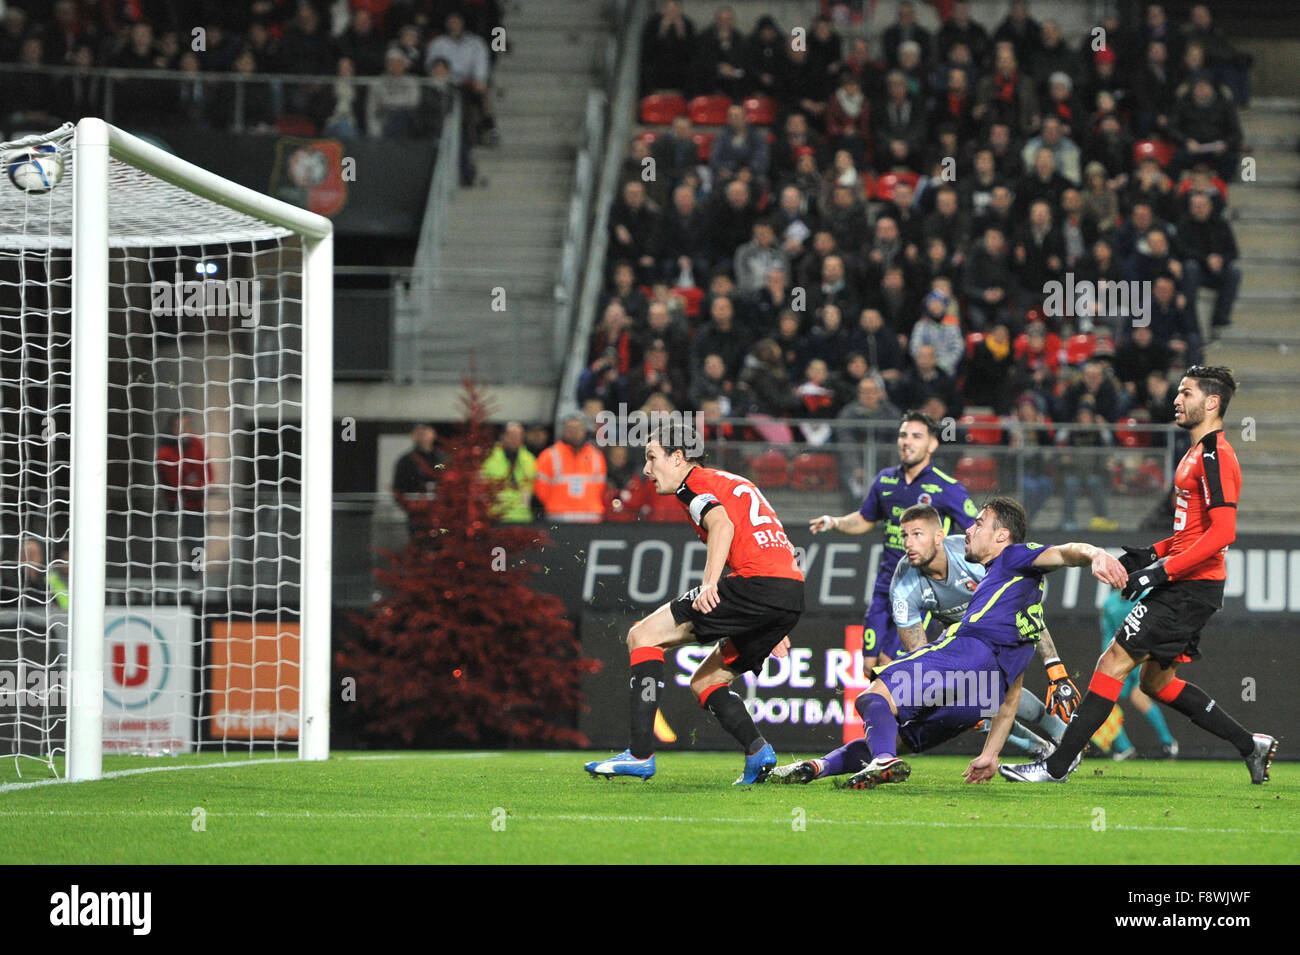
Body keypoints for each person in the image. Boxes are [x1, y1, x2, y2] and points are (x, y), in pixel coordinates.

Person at [1002, 366, 1278, 784]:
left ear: (1212, 403)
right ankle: (1250, 745)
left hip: (1190, 587)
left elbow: (1223, 533)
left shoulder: (1215, 455)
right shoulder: (1192, 453)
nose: (1176, 400)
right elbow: (1192, 533)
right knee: (1156, 682)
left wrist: (1159, 572)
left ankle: (1055, 765)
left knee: (1111, 661)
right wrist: (1149, 555)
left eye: (1186, 393)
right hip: (1188, 582)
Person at [771, 505, 1081, 783]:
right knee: (895, 737)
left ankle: (1058, 740)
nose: (907, 543)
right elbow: (919, 650)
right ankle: (821, 766)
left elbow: (1026, 614)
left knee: (872, 698)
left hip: (976, 647)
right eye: (904, 535)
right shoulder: (904, 585)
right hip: (977, 660)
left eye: (917, 534)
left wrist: (1054, 665)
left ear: (939, 537)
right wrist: (937, 693)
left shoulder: (975, 555)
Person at [831, 498, 1128, 788]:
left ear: (1001, 535)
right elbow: (1010, 700)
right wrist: (990, 755)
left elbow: (1063, 553)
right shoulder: (1018, 601)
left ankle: (882, 759)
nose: (969, 530)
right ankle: (1056, 744)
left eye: (978, 524)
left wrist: (1094, 553)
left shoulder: (1012, 558)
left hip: (965, 650)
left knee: (873, 695)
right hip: (991, 681)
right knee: (919, 722)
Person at [584, 424, 805, 783]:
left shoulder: (694, 486)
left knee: (642, 636)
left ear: (677, 457)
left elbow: (723, 526)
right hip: (787, 591)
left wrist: (709, 585)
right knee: (706, 681)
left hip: (756, 584)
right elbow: (764, 540)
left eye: (652, 458)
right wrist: (770, 618)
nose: (646, 470)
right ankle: (758, 752)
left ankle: (640, 754)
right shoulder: (731, 480)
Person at [809, 412, 977, 671]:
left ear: (932, 444)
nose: (907, 442)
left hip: (922, 591)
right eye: (903, 435)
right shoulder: (885, 479)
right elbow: (865, 519)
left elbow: (975, 532)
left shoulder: (947, 488)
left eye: (916, 436)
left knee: (892, 665)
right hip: (885, 585)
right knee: (868, 666)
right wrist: (835, 522)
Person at [1097, 588, 1179, 760]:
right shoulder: (1109, 603)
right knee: (1106, 701)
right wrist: (1107, 660)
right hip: (1120, 660)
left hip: (1142, 657)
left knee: (1139, 697)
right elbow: (1108, 634)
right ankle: (1124, 748)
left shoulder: (1144, 597)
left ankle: (1168, 743)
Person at [156, 412, 213, 573]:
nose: (185, 430)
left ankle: (196, 579)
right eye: (180, 427)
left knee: (199, 547)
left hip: (198, 508)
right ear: (172, 429)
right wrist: (196, 486)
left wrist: (201, 485)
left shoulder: (195, 443)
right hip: (179, 510)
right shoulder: (165, 453)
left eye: (187, 426)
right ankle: (187, 583)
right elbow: (176, 483)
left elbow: (207, 470)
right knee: (181, 550)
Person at [533, 414, 606, 523]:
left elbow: (601, 487)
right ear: (563, 431)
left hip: (590, 515)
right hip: (559, 515)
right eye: (570, 428)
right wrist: (555, 503)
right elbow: (540, 488)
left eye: (577, 428)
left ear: (584, 430)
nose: (574, 432)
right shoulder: (549, 455)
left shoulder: (596, 455)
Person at [392, 422, 449, 538]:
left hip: (442, 516)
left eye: (425, 431)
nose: (422, 435)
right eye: (418, 432)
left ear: (433, 434)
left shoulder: (444, 459)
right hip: (418, 518)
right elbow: (398, 490)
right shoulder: (406, 461)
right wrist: (413, 508)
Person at [480, 422, 536, 523]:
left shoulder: (529, 460)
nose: (516, 439)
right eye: (512, 435)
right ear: (502, 436)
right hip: (497, 517)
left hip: (523, 517)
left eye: (519, 435)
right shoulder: (489, 459)